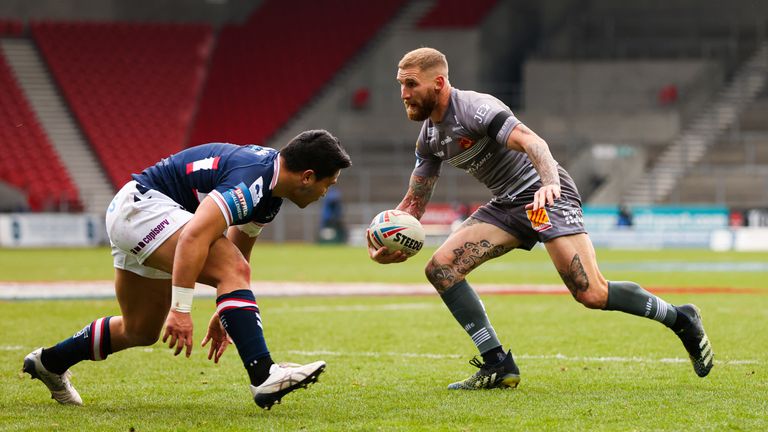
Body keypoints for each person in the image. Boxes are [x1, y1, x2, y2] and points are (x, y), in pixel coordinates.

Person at [367, 47, 714, 390]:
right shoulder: (429, 138)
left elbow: (535, 143)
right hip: (506, 205)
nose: (404, 94)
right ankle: (497, 365)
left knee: (591, 293)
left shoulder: (476, 108)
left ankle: (682, 318)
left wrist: (550, 185)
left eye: (411, 84)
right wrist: (386, 239)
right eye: (401, 84)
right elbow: (414, 204)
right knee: (440, 268)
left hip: (544, 196)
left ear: (439, 83)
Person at [23, 130, 352, 409]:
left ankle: (49, 362)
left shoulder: (271, 189)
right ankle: (264, 375)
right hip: (146, 210)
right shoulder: (252, 179)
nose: (327, 193)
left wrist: (230, 304)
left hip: (136, 211)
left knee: (140, 329)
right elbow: (195, 236)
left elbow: (238, 254)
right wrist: (181, 309)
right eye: (328, 184)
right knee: (229, 268)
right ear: (307, 177)